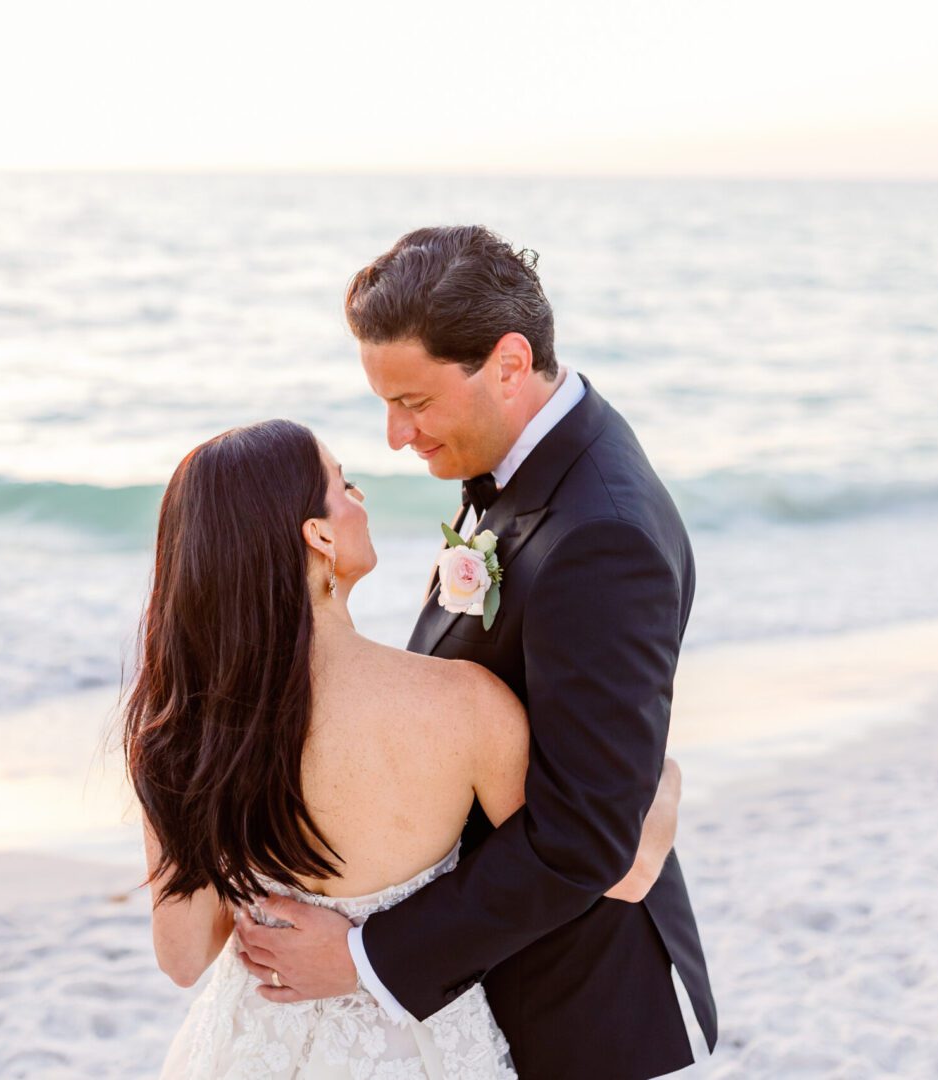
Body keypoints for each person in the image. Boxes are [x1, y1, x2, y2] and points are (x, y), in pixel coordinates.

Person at [232, 227, 717, 1079]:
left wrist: (362, 960)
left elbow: (587, 838)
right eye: (386, 403)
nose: (394, 436)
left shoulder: (601, 535)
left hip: (584, 1018)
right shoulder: (528, 465)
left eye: (414, 402)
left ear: (507, 363)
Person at [124, 418, 684, 1078]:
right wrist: (665, 774)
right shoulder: (462, 706)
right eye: (345, 484)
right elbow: (615, 870)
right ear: (321, 536)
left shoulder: (176, 732)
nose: (361, 498)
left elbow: (184, 959)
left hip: (248, 1048)